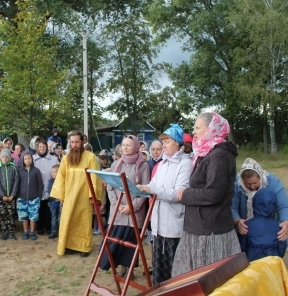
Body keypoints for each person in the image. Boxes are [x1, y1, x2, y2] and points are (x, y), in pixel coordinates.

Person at [172, 112, 241, 277]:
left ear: (211, 129)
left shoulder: (219, 156)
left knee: (208, 279)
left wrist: (186, 195)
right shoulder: (206, 153)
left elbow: (214, 194)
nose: (193, 132)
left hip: (210, 229)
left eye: (197, 127)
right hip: (200, 226)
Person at [137, 124, 192, 285]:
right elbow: (153, 185)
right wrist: (143, 188)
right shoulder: (163, 164)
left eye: (167, 141)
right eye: (163, 142)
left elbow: (179, 194)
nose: (164, 145)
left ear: (178, 143)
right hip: (158, 223)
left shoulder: (185, 164)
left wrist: (152, 190)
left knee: (173, 270)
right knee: (159, 269)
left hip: (174, 224)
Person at [99, 135, 150, 278]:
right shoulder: (116, 164)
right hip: (118, 211)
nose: (125, 148)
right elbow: (110, 187)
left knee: (131, 242)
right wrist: (116, 205)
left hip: (135, 211)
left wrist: (131, 207)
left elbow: (144, 191)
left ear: (135, 146)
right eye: (123, 145)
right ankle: (120, 268)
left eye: (128, 145)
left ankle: (129, 270)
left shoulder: (143, 165)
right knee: (116, 240)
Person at [50, 131, 102, 257]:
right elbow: (61, 177)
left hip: (84, 197)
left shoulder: (90, 157)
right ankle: (68, 246)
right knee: (68, 221)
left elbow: (95, 178)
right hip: (69, 197)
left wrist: (93, 197)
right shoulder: (66, 158)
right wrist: (61, 196)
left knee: (83, 222)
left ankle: (83, 247)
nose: (74, 145)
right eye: (72, 142)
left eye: (77, 142)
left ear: (82, 142)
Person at [232, 158, 288, 241]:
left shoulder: (273, 183)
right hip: (244, 229)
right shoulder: (237, 185)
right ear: (242, 180)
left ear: (260, 177)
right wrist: (237, 220)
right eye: (247, 184)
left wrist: (285, 221)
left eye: (255, 183)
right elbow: (232, 206)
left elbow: (283, 205)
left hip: (270, 226)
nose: (252, 187)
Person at [240, 188, 287, 262]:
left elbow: (242, 246)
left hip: (252, 259)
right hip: (272, 259)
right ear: (273, 206)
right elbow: (282, 247)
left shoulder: (246, 225)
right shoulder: (278, 226)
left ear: (254, 204)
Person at [32, 140, 60, 235]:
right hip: (38, 188)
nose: (42, 148)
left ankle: (49, 227)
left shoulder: (54, 159)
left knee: (49, 209)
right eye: (40, 146)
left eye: (44, 146)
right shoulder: (33, 159)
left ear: (47, 147)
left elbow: (57, 172)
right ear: (38, 148)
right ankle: (40, 227)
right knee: (39, 208)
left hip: (50, 188)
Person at [17, 152, 44, 240]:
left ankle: (32, 231)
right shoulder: (20, 171)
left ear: (32, 159)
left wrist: (38, 196)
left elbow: (40, 184)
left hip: (34, 198)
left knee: (33, 216)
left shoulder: (36, 171)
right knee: (23, 215)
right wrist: (18, 195)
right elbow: (17, 183)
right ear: (23, 160)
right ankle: (25, 232)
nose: (28, 160)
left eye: (29, 158)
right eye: (26, 159)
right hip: (22, 198)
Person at [0, 149, 19, 240]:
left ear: (9, 157)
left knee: (11, 214)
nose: (5, 158)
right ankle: (4, 231)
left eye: (6, 157)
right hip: (2, 197)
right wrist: (2, 195)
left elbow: (16, 181)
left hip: (11, 196)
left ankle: (11, 231)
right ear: (0, 158)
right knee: (3, 214)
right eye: (3, 157)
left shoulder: (14, 167)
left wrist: (12, 194)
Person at [45, 164, 61, 239]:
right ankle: (53, 232)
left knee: (60, 218)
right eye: (52, 172)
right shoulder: (50, 181)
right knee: (54, 218)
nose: (53, 174)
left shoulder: (62, 181)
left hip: (60, 203)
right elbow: (48, 191)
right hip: (52, 203)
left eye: (55, 172)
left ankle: (61, 232)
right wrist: (50, 199)